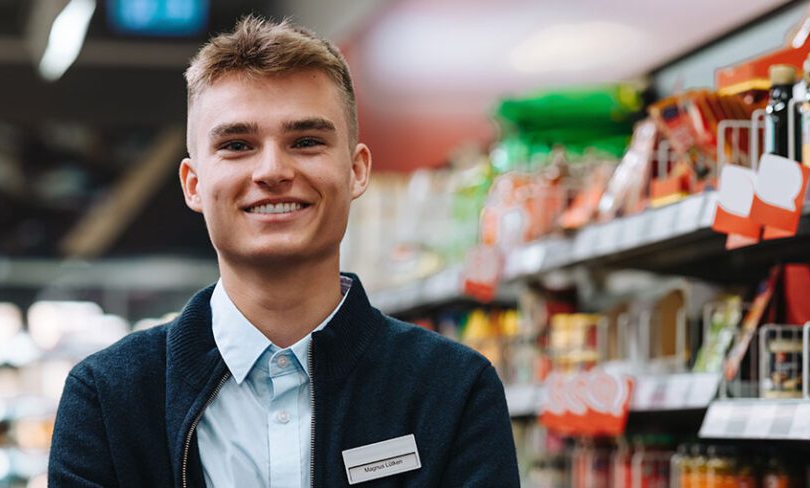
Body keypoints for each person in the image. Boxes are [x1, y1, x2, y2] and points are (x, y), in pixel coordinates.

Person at [49, 15, 519, 487]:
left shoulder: (453, 389)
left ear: (356, 170)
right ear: (193, 184)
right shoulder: (107, 400)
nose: (272, 170)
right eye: (237, 145)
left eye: (306, 142)